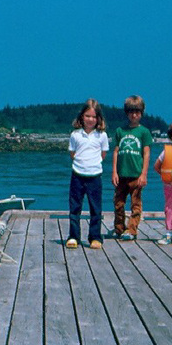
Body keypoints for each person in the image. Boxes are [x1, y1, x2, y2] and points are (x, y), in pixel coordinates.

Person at [66, 99, 109, 249]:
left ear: (98, 119)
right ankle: (73, 236)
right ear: (81, 117)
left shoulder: (102, 135)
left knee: (95, 209)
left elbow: (103, 154)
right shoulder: (75, 135)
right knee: (75, 207)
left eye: (93, 116)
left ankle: (95, 237)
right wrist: (81, 164)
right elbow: (72, 153)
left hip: (95, 176)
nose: (90, 119)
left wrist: (92, 165)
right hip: (77, 175)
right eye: (87, 116)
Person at [111, 95, 153, 241]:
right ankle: (119, 228)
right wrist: (114, 172)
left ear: (141, 113)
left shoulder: (144, 132)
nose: (134, 115)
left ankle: (132, 229)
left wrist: (144, 174)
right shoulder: (120, 131)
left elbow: (146, 154)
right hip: (121, 175)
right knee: (118, 203)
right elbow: (115, 152)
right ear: (126, 113)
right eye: (131, 112)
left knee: (136, 204)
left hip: (136, 175)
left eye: (137, 112)